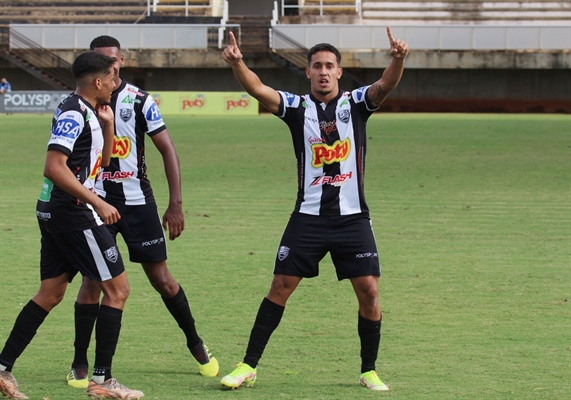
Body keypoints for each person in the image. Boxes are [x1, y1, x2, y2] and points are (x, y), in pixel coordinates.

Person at [219, 27, 408, 391]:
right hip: (307, 217)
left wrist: (398, 59)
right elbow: (258, 89)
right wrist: (239, 64)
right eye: (317, 65)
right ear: (307, 72)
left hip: (352, 218)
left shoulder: (355, 104)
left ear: (339, 71)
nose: (323, 71)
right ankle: (248, 365)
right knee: (280, 286)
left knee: (369, 290)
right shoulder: (296, 108)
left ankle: (368, 369)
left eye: (330, 66)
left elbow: (385, 85)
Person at [64, 35, 219, 390]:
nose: (110, 66)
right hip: (96, 203)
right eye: (102, 61)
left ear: (122, 60)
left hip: (137, 203)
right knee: (93, 282)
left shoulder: (139, 101)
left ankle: (195, 344)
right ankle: (79, 361)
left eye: (114, 60)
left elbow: (167, 149)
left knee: (162, 279)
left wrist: (175, 202)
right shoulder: (81, 103)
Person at [0, 51, 144, 400]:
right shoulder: (73, 113)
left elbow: (104, 161)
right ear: (98, 82)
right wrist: (97, 200)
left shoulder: (91, 112)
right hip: (72, 213)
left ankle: (2, 369)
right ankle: (102, 381)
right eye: (111, 78)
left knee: (50, 294)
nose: (115, 83)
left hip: (57, 212)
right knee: (118, 290)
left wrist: (109, 125)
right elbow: (53, 166)